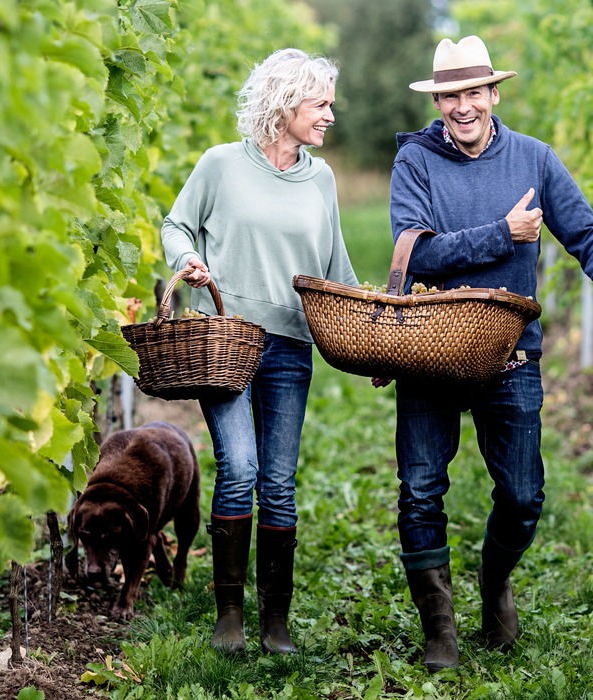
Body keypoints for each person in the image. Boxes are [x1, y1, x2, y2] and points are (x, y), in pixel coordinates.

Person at [385, 35, 593, 671]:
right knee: (419, 491)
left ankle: (493, 582)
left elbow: (587, 230)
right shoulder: (415, 162)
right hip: (430, 351)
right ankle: (439, 629)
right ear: (438, 101)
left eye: (473, 92)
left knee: (523, 495)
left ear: (494, 94)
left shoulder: (534, 159)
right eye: (449, 95)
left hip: (510, 355)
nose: (461, 106)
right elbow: (414, 254)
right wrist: (503, 233)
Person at [160, 48, 357, 655]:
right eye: (320, 104)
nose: (329, 116)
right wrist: (185, 260)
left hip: (292, 347)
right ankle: (229, 615)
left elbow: (336, 270)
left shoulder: (320, 178)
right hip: (226, 344)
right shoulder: (221, 166)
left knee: (277, 481)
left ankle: (275, 621)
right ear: (285, 103)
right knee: (240, 469)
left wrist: (374, 330)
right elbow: (176, 225)